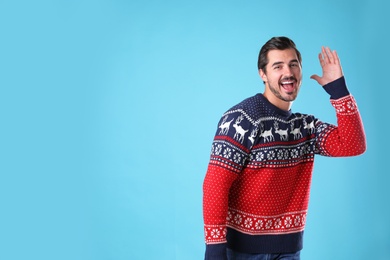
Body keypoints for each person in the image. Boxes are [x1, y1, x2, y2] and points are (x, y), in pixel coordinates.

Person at [202, 36, 366, 260]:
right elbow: (215, 185)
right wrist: (215, 251)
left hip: (289, 250)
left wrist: (338, 90)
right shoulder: (242, 118)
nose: (287, 72)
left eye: (293, 64)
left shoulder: (305, 127)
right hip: (242, 251)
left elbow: (352, 145)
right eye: (277, 66)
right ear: (263, 73)